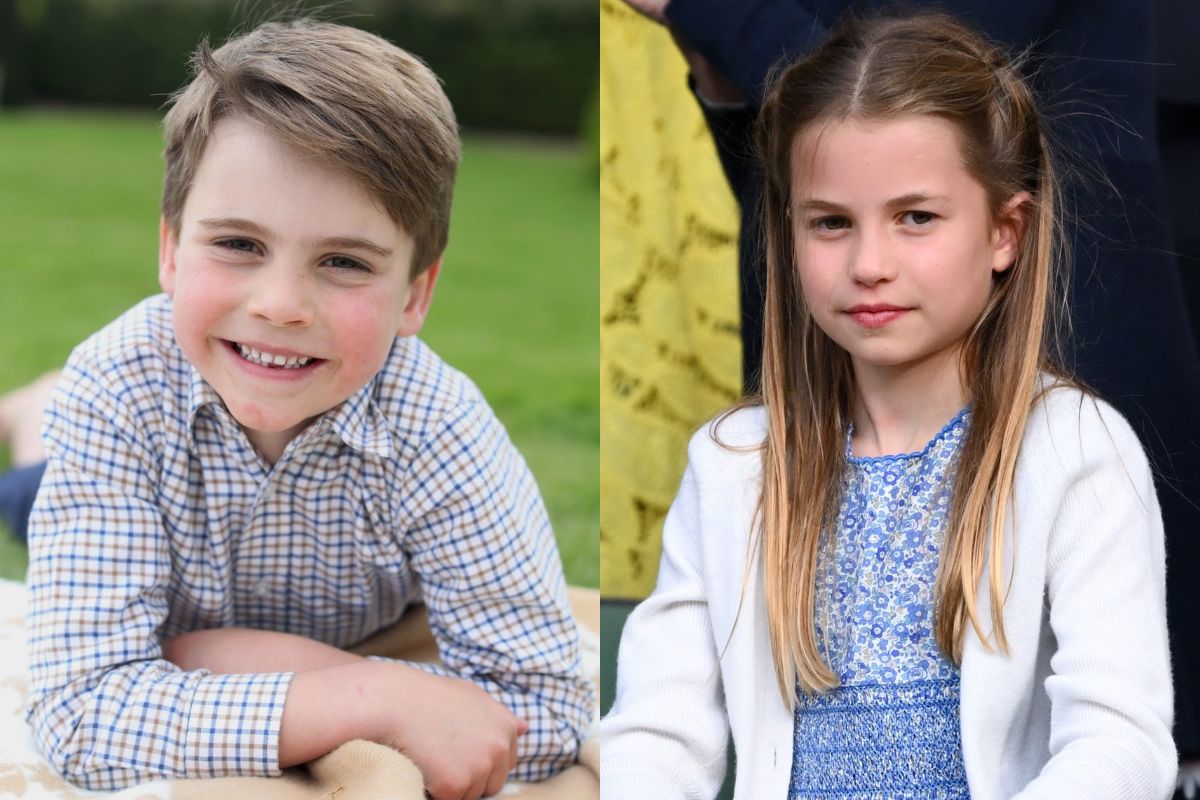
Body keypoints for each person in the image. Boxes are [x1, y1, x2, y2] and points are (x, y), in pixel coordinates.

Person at [600, 11, 1176, 799]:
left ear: (1006, 231)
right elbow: (657, 734)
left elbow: (1120, 742)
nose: (869, 264)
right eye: (831, 223)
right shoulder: (735, 461)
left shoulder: (1076, 450)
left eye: (915, 218)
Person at [20, 19, 592, 798]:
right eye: (238, 245)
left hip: (312, 611)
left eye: (344, 262)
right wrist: (376, 696)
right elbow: (83, 713)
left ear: (415, 295)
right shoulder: (117, 390)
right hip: (120, 488)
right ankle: (27, 415)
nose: (282, 305)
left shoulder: (439, 428)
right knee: (26, 489)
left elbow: (542, 714)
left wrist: (275, 664)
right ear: (169, 250)